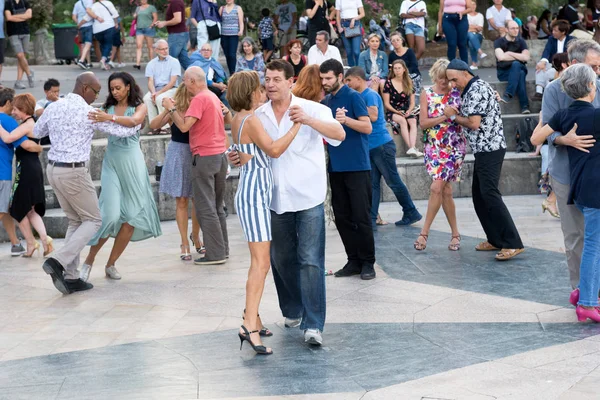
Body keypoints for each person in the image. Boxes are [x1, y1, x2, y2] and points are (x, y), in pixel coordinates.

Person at [233, 59, 344, 346]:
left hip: (308, 196)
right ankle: (293, 310)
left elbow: (339, 135)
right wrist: (236, 156)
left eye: (276, 79)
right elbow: (249, 150)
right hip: (273, 198)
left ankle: (313, 324)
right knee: (280, 260)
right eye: (266, 79)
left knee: (310, 261)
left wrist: (307, 120)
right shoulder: (258, 114)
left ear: (290, 81)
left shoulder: (313, 109)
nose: (269, 84)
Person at [34, 72, 140, 295]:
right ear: (84, 88)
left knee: (76, 221)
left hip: (53, 169)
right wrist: (134, 120)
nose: (97, 96)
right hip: (73, 171)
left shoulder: (54, 106)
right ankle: (58, 260)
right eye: (96, 92)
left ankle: (71, 278)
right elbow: (123, 131)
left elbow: (37, 131)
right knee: (93, 220)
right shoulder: (88, 112)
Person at [226, 70, 302, 355]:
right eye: (259, 87)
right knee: (261, 264)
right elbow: (274, 150)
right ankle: (249, 326)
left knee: (259, 262)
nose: (263, 90)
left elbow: (241, 152)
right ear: (250, 92)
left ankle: (254, 316)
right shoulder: (252, 120)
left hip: (251, 191)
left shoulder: (240, 118)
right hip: (255, 196)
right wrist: (297, 127)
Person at [531, 63, 600, 322]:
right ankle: (588, 303)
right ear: (591, 87)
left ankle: (582, 291)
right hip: (596, 189)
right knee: (593, 245)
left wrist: (561, 137)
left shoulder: (562, 115)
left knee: (589, 242)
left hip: (580, 188)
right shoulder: (596, 116)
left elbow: (536, 139)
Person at [81, 72, 160, 282]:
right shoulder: (106, 107)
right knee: (110, 214)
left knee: (132, 217)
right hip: (112, 163)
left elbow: (135, 121)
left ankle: (110, 264)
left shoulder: (140, 105)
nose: (114, 92)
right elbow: (90, 119)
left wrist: (110, 117)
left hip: (133, 163)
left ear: (128, 87)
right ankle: (88, 260)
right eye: (112, 89)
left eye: (118, 88)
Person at [444, 59, 524, 261]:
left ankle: (513, 242)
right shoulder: (471, 88)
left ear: (465, 73)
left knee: (490, 194)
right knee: (480, 197)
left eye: (454, 79)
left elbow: (473, 123)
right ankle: (495, 239)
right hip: (483, 149)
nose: (453, 84)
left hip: (491, 148)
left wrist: (452, 117)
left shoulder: (477, 89)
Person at [164, 66, 229, 265]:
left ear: (193, 81)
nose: (183, 84)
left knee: (206, 207)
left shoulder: (200, 98)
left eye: (185, 80)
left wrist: (171, 108)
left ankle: (215, 254)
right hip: (219, 155)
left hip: (205, 156)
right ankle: (222, 249)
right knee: (217, 206)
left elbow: (184, 126)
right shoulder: (212, 96)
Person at [344, 66, 421, 230]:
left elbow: (372, 116)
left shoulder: (370, 95)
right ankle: (371, 218)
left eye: (349, 80)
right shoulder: (362, 95)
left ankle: (411, 211)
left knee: (393, 181)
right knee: (372, 184)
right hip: (372, 147)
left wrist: (349, 115)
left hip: (381, 145)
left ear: (358, 79)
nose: (347, 83)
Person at [319, 59, 375, 282]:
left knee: (361, 216)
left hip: (357, 166)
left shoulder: (353, 97)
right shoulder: (326, 101)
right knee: (342, 217)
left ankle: (368, 262)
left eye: (329, 78)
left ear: (340, 77)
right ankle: (353, 260)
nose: (325, 82)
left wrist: (346, 120)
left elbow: (367, 126)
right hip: (336, 167)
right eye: (322, 78)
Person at [413, 59, 466, 251]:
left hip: (454, 147)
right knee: (446, 191)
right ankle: (455, 234)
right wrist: (446, 115)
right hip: (434, 147)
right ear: (434, 75)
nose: (445, 82)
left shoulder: (457, 93)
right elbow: (424, 123)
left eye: (447, 79)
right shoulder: (426, 93)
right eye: (441, 78)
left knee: (437, 188)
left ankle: (424, 234)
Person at [150, 84, 203, 260]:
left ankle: (196, 236)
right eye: (188, 94)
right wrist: (167, 110)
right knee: (181, 199)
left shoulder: (200, 105)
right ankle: (184, 243)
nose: (190, 98)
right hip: (179, 153)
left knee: (197, 199)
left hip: (197, 152)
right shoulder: (174, 109)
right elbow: (154, 125)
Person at [0, 94, 51, 258]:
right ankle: (43, 241)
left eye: (15, 109)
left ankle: (32, 242)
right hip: (31, 167)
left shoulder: (27, 124)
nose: (13, 112)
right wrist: (39, 148)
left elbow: (10, 138)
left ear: (23, 109)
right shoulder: (31, 123)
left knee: (17, 209)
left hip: (27, 169)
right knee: (30, 210)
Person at [383, 60, 422, 157]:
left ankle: (412, 148)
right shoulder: (388, 83)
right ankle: (412, 148)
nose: (397, 70)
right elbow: (386, 104)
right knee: (402, 121)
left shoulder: (409, 82)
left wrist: (409, 111)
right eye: (395, 68)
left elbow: (412, 102)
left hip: (406, 109)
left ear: (404, 69)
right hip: (393, 110)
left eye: (399, 68)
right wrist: (397, 112)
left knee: (413, 121)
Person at [143, 40, 181, 133]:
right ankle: (155, 126)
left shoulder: (174, 62)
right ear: (156, 50)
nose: (165, 51)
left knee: (160, 98)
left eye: (166, 48)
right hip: (156, 89)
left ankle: (166, 127)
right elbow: (150, 81)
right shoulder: (151, 63)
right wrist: (153, 93)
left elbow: (172, 82)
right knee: (147, 98)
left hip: (171, 89)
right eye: (162, 49)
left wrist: (158, 93)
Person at [495, 20, 531, 115]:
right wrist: (519, 56)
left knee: (516, 65)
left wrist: (509, 53)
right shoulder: (499, 42)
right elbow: (501, 57)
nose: (516, 30)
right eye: (513, 28)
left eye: (517, 28)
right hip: (504, 73)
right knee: (520, 72)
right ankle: (524, 106)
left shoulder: (521, 42)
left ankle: (508, 94)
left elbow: (526, 57)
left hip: (517, 69)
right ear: (506, 29)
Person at [534, 20, 575, 100]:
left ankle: (547, 94)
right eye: (552, 30)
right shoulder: (551, 39)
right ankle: (538, 92)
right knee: (540, 66)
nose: (552, 32)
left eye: (555, 30)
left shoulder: (571, 40)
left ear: (563, 32)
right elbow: (547, 50)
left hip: (565, 65)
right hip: (552, 63)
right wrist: (543, 61)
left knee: (548, 74)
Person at [155, 0, 192, 70]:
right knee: (184, 60)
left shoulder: (176, 2)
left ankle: (166, 78)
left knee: (168, 59)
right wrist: (163, 22)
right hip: (180, 34)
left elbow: (177, 19)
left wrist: (164, 23)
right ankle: (197, 76)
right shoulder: (177, 2)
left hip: (177, 35)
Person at [4, 0, 33, 89]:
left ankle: (18, 82)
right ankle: (29, 73)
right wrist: (23, 17)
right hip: (13, 33)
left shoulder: (25, 3)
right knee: (20, 55)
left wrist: (15, 17)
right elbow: (8, 18)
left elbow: (29, 15)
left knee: (22, 57)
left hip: (25, 32)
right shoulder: (8, 3)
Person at [84, 0, 119, 71]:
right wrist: (116, 23)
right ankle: (103, 60)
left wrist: (80, 24)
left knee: (102, 45)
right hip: (108, 26)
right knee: (108, 44)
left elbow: (87, 18)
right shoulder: (108, 3)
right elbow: (115, 14)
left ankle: (104, 62)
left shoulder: (93, 6)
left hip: (97, 30)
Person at [388, 32, 421, 101]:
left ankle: (414, 102)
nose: (396, 42)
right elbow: (390, 68)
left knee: (409, 80)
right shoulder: (391, 55)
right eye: (393, 41)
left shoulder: (409, 51)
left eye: (397, 40)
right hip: (398, 75)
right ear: (391, 43)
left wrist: (404, 73)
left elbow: (414, 66)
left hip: (412, 74)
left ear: (401, 40)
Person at [335, 0, 364, 67]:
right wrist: (339, 27)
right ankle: (351, 70)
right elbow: (337, 16)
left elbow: (362, 14)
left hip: (355, 24)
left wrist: (354, 19)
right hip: (344, 24)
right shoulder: (339, 0)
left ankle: (359, 69)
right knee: (349, 52)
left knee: (356, 51)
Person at [219, 0, 244, 75]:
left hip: (234, 35)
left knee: (232, 55)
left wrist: (241, 30)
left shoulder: (238, 8)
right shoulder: (222, 8)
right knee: (227, 55)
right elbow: (218, 21)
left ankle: (234, 73)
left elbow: (241, 21)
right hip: (223, 35)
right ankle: (231, 73)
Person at [133, 0, 158, 70]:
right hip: (139, 29)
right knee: (138, 46)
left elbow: (155, 17)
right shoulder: (138, 8)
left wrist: (151, 25)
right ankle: (137, 64)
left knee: (150, 47)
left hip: (148, 28)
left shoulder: (151, 7)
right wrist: (135, 15)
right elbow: (135, 16)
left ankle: (151, 63)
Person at [72, 0, 95, 70]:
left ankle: (88, 63)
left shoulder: (77, 3)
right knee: (88, 43)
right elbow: (90, 12)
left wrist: (78, 23)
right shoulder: (90, 1)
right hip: (89, 25)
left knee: (84, 45)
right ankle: (81, 60)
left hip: (81, 27)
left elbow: (73, 16)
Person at [467, 5, 487, 69]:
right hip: (466, 35)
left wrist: (471, 27)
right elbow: (465, 28)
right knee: (470, 34)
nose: (472, 6)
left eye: (474, 5)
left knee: (471, 41)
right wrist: (476, 27)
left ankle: (474, 64)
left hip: (478, 35)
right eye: (471, 4)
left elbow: (480, 29)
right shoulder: (465, 15)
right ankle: (480, 52)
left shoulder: (480, 15)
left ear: (476, 6)